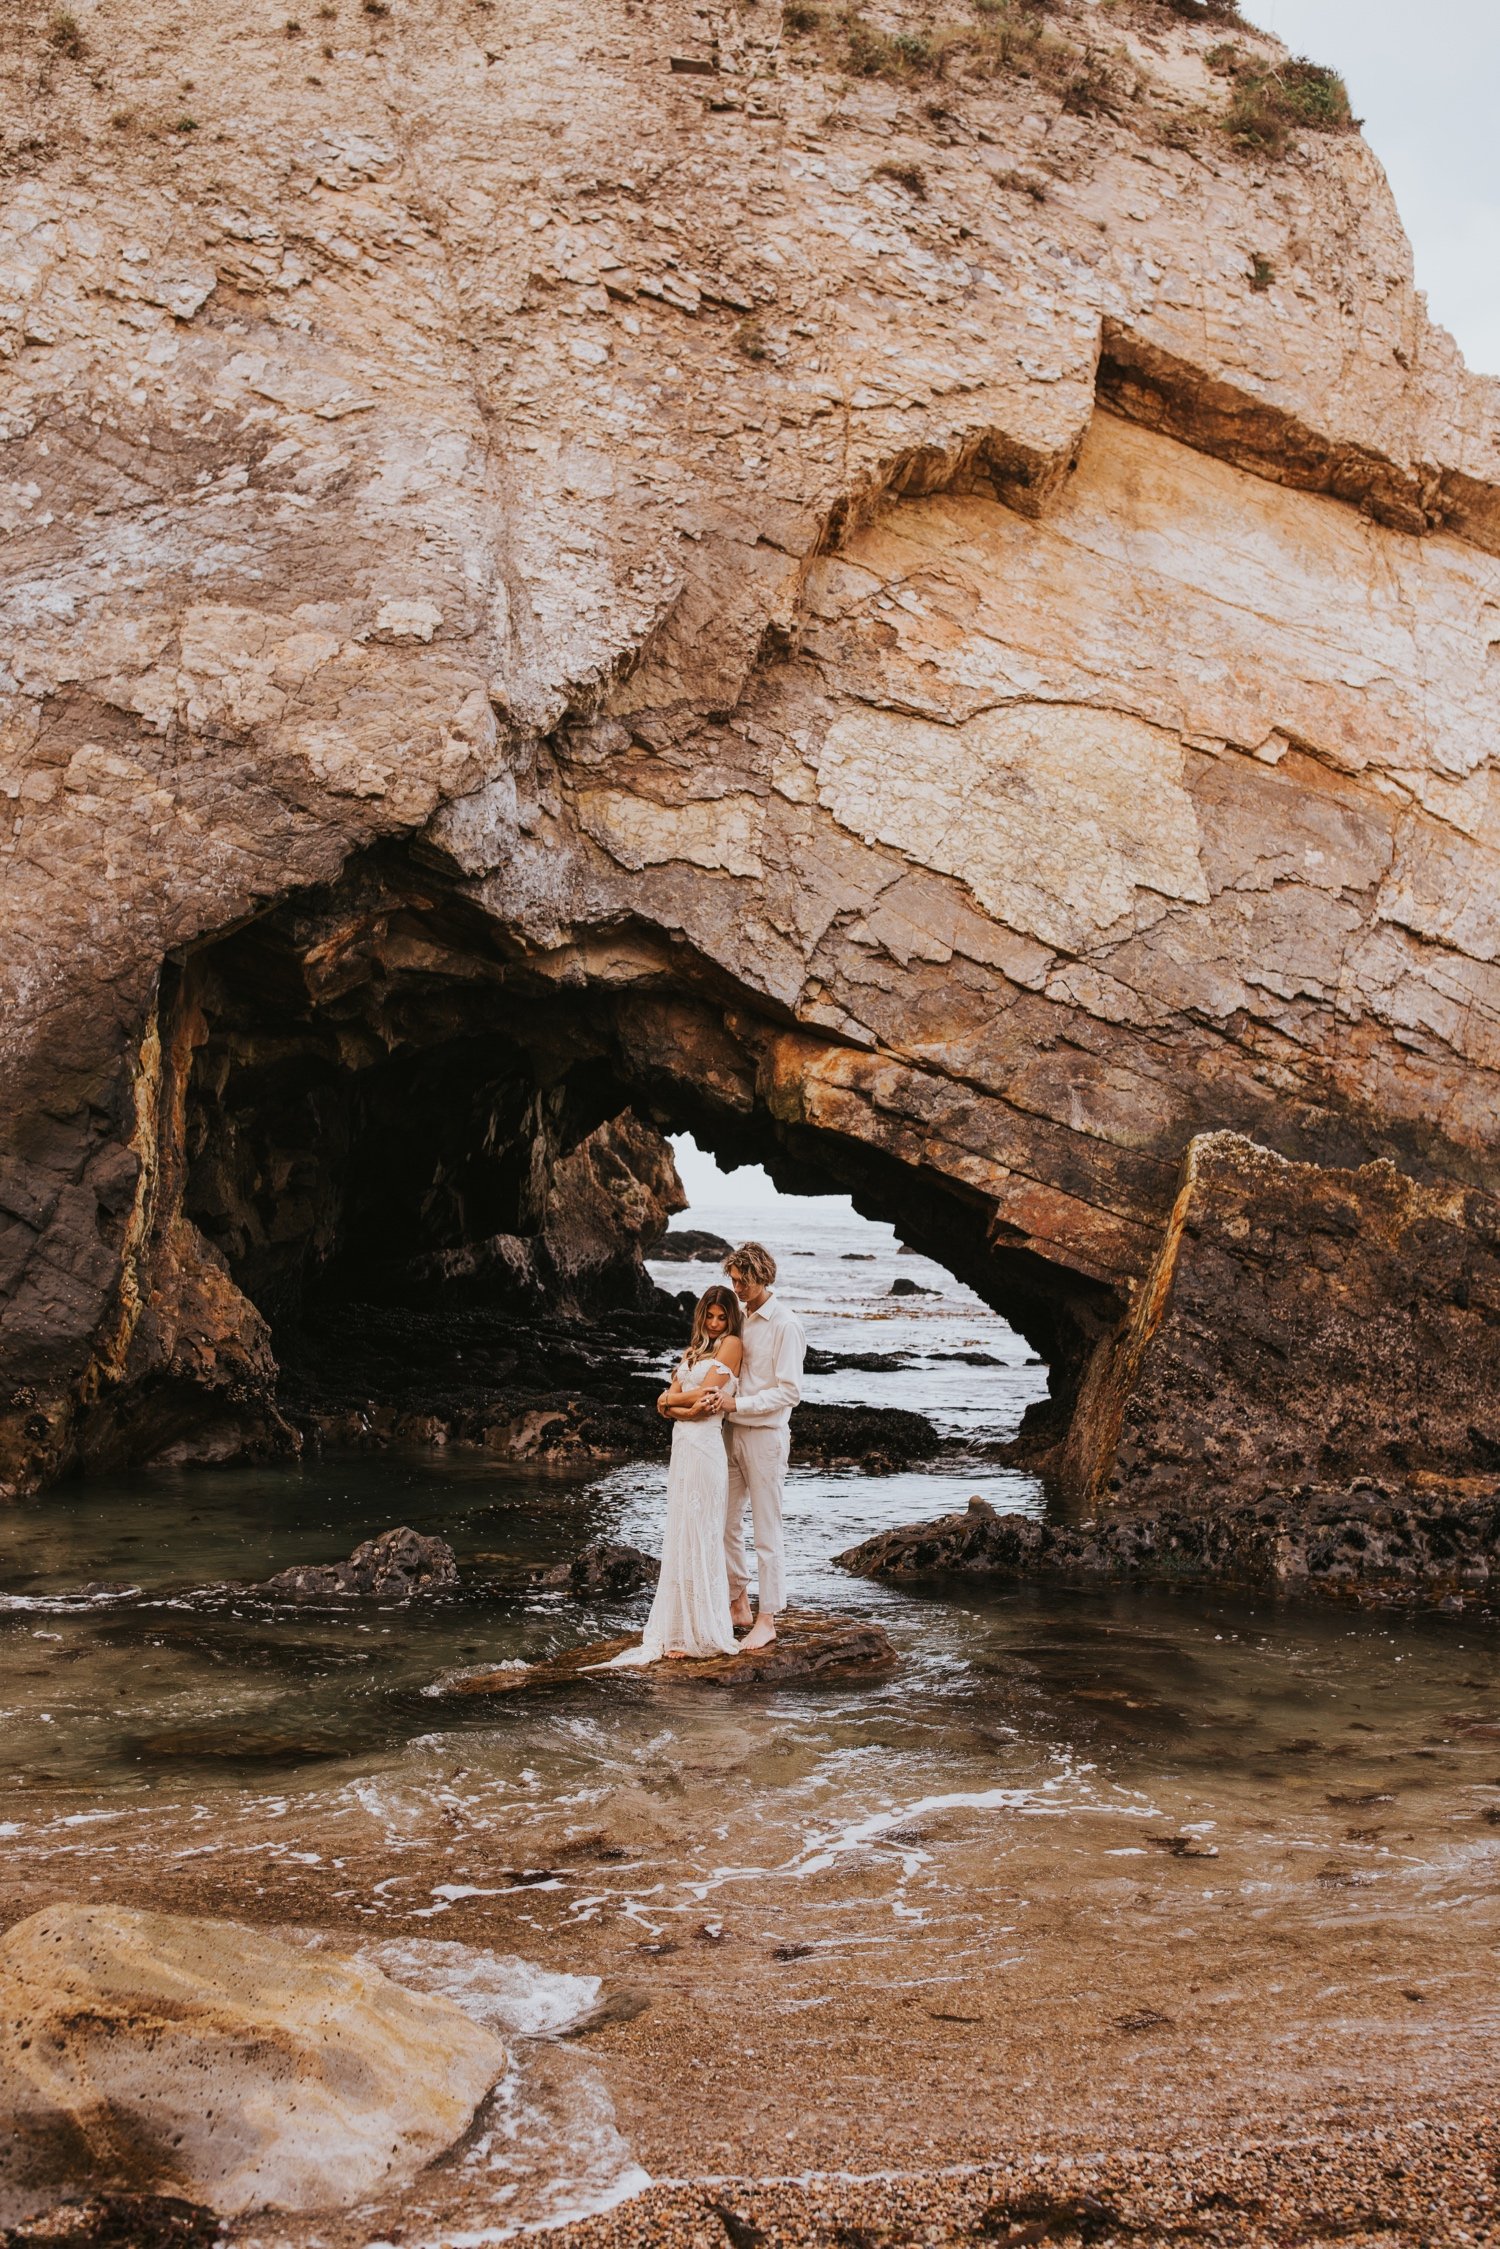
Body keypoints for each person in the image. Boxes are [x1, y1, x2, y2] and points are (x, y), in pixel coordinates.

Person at [600, 1285, 744, 1665]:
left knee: (701, 1531)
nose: (715, 1323)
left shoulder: (732, 1345)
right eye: (709, 1316)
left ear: (730, 1318)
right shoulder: (693, 1351)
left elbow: (704, 1397)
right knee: (679, 1532)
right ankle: (678, 1628)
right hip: (682, 1447)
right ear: (701, 1317)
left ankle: (702, 1629)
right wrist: (675, 1403)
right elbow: (675, 1403)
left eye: (721, 1317)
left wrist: (670, 1401)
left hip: (706, 1450)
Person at [703, 1240, 805, 1650]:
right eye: (733, 1280)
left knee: (767, 1530)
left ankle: (767, 1620)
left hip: (765, 1439)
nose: (736, 1287)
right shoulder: (738, 1318)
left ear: (762, 1276)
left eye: (742, 1281)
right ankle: (738, 1600)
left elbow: (790, 1392)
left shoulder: (786, 1324)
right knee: (723, 1521)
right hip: (729, 1434)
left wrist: (736, 1404)